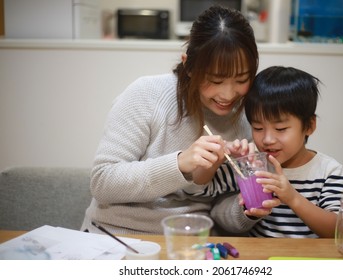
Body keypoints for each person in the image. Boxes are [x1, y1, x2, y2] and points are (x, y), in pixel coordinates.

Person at [81, 5, 261, 235]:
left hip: (191, 243)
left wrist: (248, 207)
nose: (228, 95)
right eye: (215, 81)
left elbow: (220, 213)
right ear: (188, 65)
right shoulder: (146, 94)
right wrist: (180, 164)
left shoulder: (246, 119)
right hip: (115, 235)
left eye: (241, 80)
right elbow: (102, 183)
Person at [211, 66, 343, 238]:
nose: (268, 139)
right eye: (258, 127)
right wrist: (219, 157)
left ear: (309, 126)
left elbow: (341, 231)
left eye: (280, 128)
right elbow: (202, 191)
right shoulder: (252, 164)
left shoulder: (329, 171)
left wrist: (292, 198)